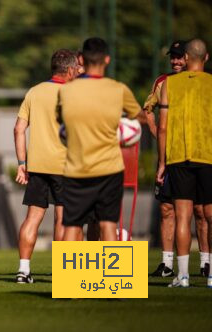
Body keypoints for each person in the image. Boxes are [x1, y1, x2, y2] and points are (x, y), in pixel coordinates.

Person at [59, 37, 146, 242]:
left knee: (73, 224)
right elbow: (139, 118)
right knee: (108, 223)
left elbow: (62, 127)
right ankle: (109, 274)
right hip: (109, 168)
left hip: (77, 168)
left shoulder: (67, 90)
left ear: (82, 59)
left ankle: (68, 275)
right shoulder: (118, 89)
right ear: (107, 59)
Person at [13, 50, 80, 283]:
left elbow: (19, 129)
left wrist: (22, 164)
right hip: (66, 167)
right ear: (70, 70)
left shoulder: (34, 91)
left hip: (38, 166)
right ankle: (63, 275)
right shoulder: (74, 94)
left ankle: (23, 270)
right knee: (63, 220)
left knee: (32, 218)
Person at [146, 41, 209, 278]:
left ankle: (205, 262)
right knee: (167, 209)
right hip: (172, 155)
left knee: (202, 212)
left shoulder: (202, 83)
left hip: (198, 154)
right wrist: (157, 133)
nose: (175, 62)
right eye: (171, 58)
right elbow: (148, 109)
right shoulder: (164, 82)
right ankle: (168, 263)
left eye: (178, 58)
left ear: (188, 57)